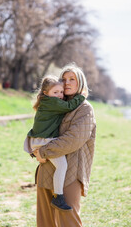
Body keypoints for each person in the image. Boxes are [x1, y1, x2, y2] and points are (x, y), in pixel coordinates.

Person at [33, 63, 96, 227]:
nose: (67, 82)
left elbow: (72, 140)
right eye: (64, 79)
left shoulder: (84, 109)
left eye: (72, 79)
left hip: (70, 172)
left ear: (80, 83)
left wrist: (43, 151)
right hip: (46, 169)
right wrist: (35, 150)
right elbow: (40, 129)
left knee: (68, 221)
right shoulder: (54, 104)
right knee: (45, 222)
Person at [24, 75, 85, 211]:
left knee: (59, 166)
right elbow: (70, 105)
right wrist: (82, 96)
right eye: (55, 92)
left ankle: (57, 195)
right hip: (44, 140)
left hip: (39, 139)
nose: (59, 95)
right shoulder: (52, 102)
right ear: (46, 93)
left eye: (61, 92)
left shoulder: (46, 101)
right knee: (62, 166)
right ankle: (58, 197)